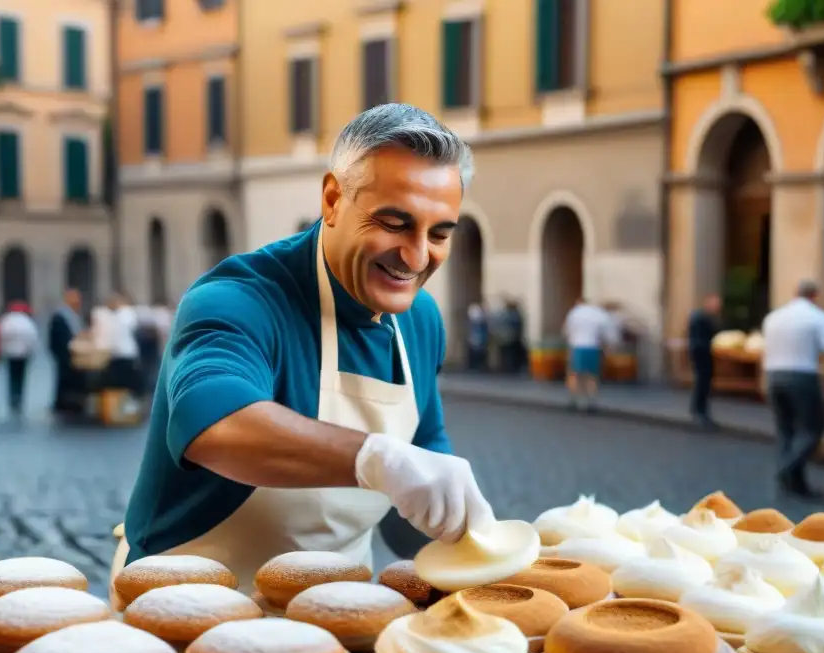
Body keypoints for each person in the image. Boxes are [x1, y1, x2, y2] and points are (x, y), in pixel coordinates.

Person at [114, 104, 495, 593]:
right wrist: (380, 461)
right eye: (395, 224)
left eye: (439, 233)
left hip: (332, 616)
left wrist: (468, 538)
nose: (418, 257)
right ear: (334, 199)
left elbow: (417, 495)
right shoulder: (239, 299)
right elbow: (210, 424)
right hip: (185, 609)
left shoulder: (420, 321)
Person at [762, 280, 824, 499]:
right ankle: (785, 470)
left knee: (785, 431)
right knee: (811, 430)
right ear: (815, 295)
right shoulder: (819, 317)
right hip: (802, 376)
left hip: (774, 376)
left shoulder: (773, 317)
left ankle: (796, 484)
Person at [563, 296, 612, 411]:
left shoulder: (574, 313)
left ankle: (576, 399)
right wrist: (607, 347)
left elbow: (567, 331)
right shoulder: (598, 313)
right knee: (592, 375)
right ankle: (591, 401)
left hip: (578, 346)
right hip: (593, 346)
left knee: (576, 374)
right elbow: (607, 332)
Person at [0, 302, 40, 422]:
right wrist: (32, 351)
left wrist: (2, 350)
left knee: (12, 377)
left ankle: (12, 398)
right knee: (21, 377)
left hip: (10, 354)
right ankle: (19, 398)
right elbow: (33, 338)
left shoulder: (6, 321)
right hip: (23, 354)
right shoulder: (27, 322)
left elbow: (1, 336)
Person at [687, 294, 721, 429]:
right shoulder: (703, 317)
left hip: (699, 351)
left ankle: (697, 409)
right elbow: (710, 334)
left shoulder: (698, 316)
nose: (718, 307)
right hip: (702, 352)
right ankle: (701, 411)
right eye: (716, 304)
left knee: (702, 381)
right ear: (708, 304)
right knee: (703, 382)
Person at [48, 289, 84, 414]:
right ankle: (63, 403)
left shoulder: (74, 316)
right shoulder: (61, 316)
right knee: (63, 379)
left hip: (71, 352)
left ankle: (69, 401)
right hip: (64, 353)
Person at [466, 302, 488, 371]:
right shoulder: (475, 323)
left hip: (478, 338)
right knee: (475, 352)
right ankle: (475, 365)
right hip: (476, 338)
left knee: (479, 352)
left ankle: (478, 365)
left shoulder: (480, 323)